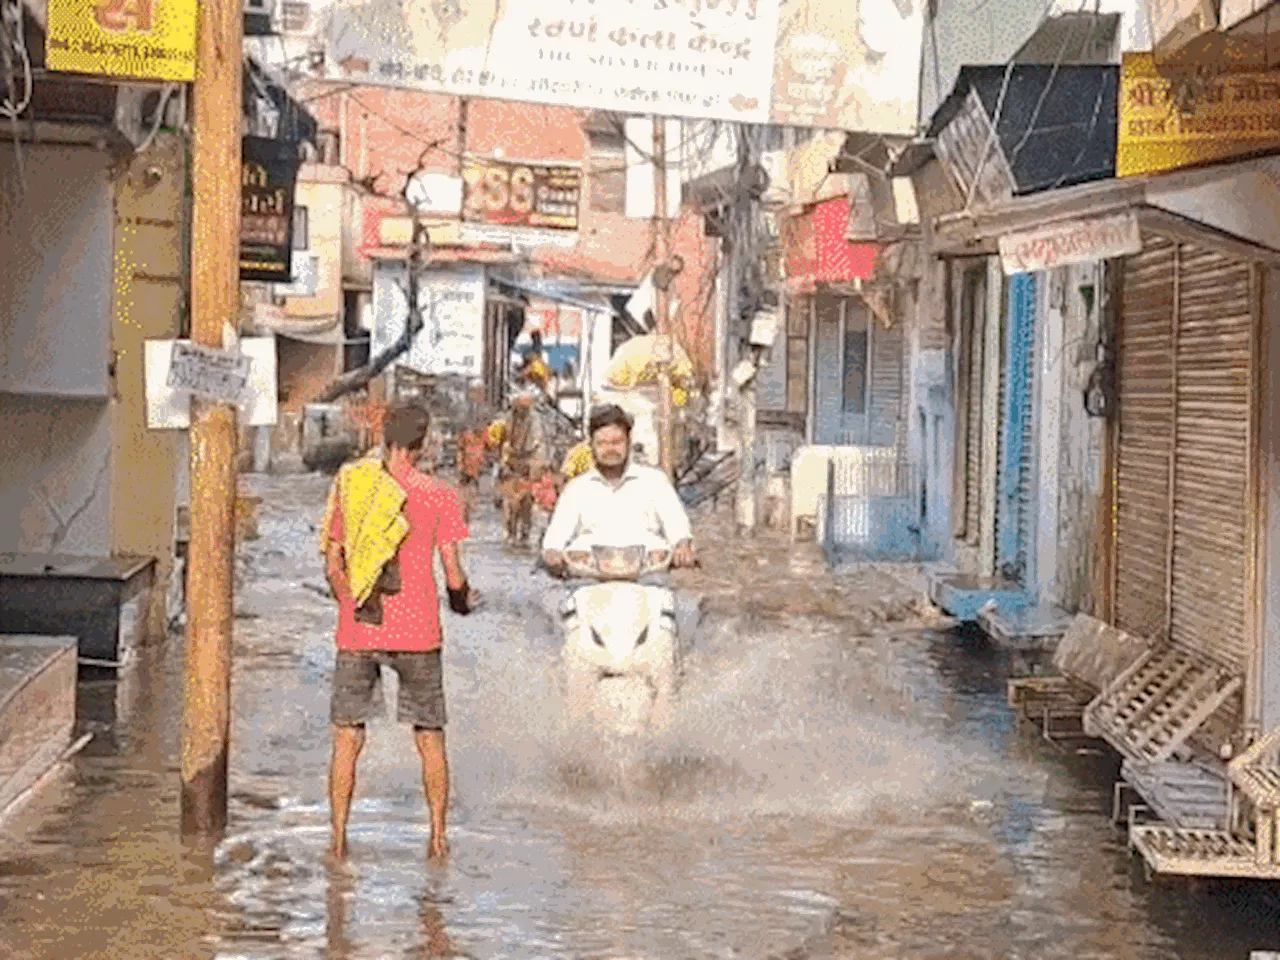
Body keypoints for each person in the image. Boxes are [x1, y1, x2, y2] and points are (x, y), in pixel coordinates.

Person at [319, 402, 479, 862]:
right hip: (419, 634)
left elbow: (334, 561)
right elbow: (452, 574)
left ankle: (337, 839)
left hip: (359, 631)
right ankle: (437, 837)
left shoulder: (353, 487)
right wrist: (465, 601)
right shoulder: (439, 495)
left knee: (347, 738)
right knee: (429, 736)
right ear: (424, 443)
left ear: (384, 438)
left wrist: (351, 602)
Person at [542, 404, 697, 574]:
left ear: (629, 442)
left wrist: (682, 547)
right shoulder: (576, 489)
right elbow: (555, 538)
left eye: (616, 442)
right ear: (591, 446)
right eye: (602, 443)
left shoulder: (655, 481)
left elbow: (677, 525)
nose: (610, 449)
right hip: (589, 581)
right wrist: (553, 554)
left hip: (649, 579)